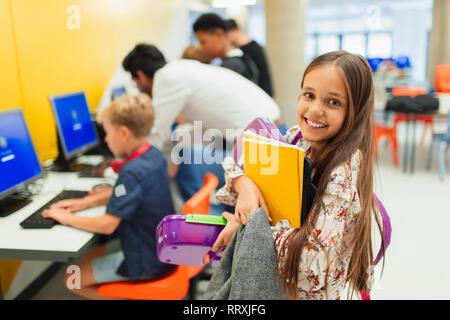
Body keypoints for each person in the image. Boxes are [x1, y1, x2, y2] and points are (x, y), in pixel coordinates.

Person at [212, 51, 385, 300]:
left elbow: (310, 268)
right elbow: (234, 162)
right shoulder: (296, 138)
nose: (315, 110)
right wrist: (245, 184)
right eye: (309, 95)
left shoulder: (343, 175)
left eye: (333, 102)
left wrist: (251, 225)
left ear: (355, 110)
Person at [42, 94, 176, 299]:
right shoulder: (153, 155)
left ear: (123, 132)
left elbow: (107, 225)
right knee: (89, 257)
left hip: (145, 259)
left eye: (106, 133)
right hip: (158, 248)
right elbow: (128, 194)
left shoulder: (131, 172)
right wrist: (86, 202)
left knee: (71, 277)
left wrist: (65, 217)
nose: (104, 139)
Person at [121, 43, 281, 151]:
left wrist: (126, 154)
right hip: (271, 123)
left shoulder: (166, 77)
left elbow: (156, 134)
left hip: (262, 135)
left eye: (135, 81)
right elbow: (205, 120)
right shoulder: (180, 67)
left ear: (141, 76)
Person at [193, 13, 259, 86]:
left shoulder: (231, 66)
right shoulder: (242, 57)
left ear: (218, 34)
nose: (201, 48)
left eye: (203, 42)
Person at [225, 19, 274, 97]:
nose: (226, 39)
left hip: (262, 91)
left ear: (235, 30)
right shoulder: (251, 45)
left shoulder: (249, 48)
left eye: (227, 35)